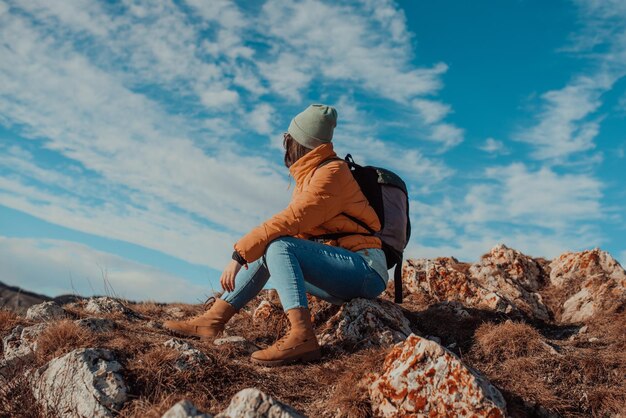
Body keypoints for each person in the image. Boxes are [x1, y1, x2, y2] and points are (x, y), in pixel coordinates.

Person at [163, 104, 389, 366]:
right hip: (341, 269)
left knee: (279, 245)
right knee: (273, 247)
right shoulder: (312, 174)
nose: (286, 143)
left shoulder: (332, 173)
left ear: (300, 141)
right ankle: (213, 321)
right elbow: (301, 232)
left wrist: (239, 254)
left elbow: (293, 220)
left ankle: (302, 336)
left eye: (288, 138)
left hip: (364, 269)